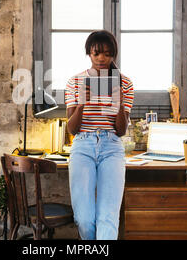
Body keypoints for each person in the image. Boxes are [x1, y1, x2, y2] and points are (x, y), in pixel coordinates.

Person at [65, 30, 134, 240]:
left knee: (108, 216)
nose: (102, 59)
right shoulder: (75, 82)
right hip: (82, 145)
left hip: (111, 146)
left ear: (113, 55)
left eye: (107, 54)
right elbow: (72, 129)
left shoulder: (125, 83)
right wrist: (82, 104)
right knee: (84, 218)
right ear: (89, 54)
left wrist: (120, 103)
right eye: (96, 54)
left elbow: (121, 130)